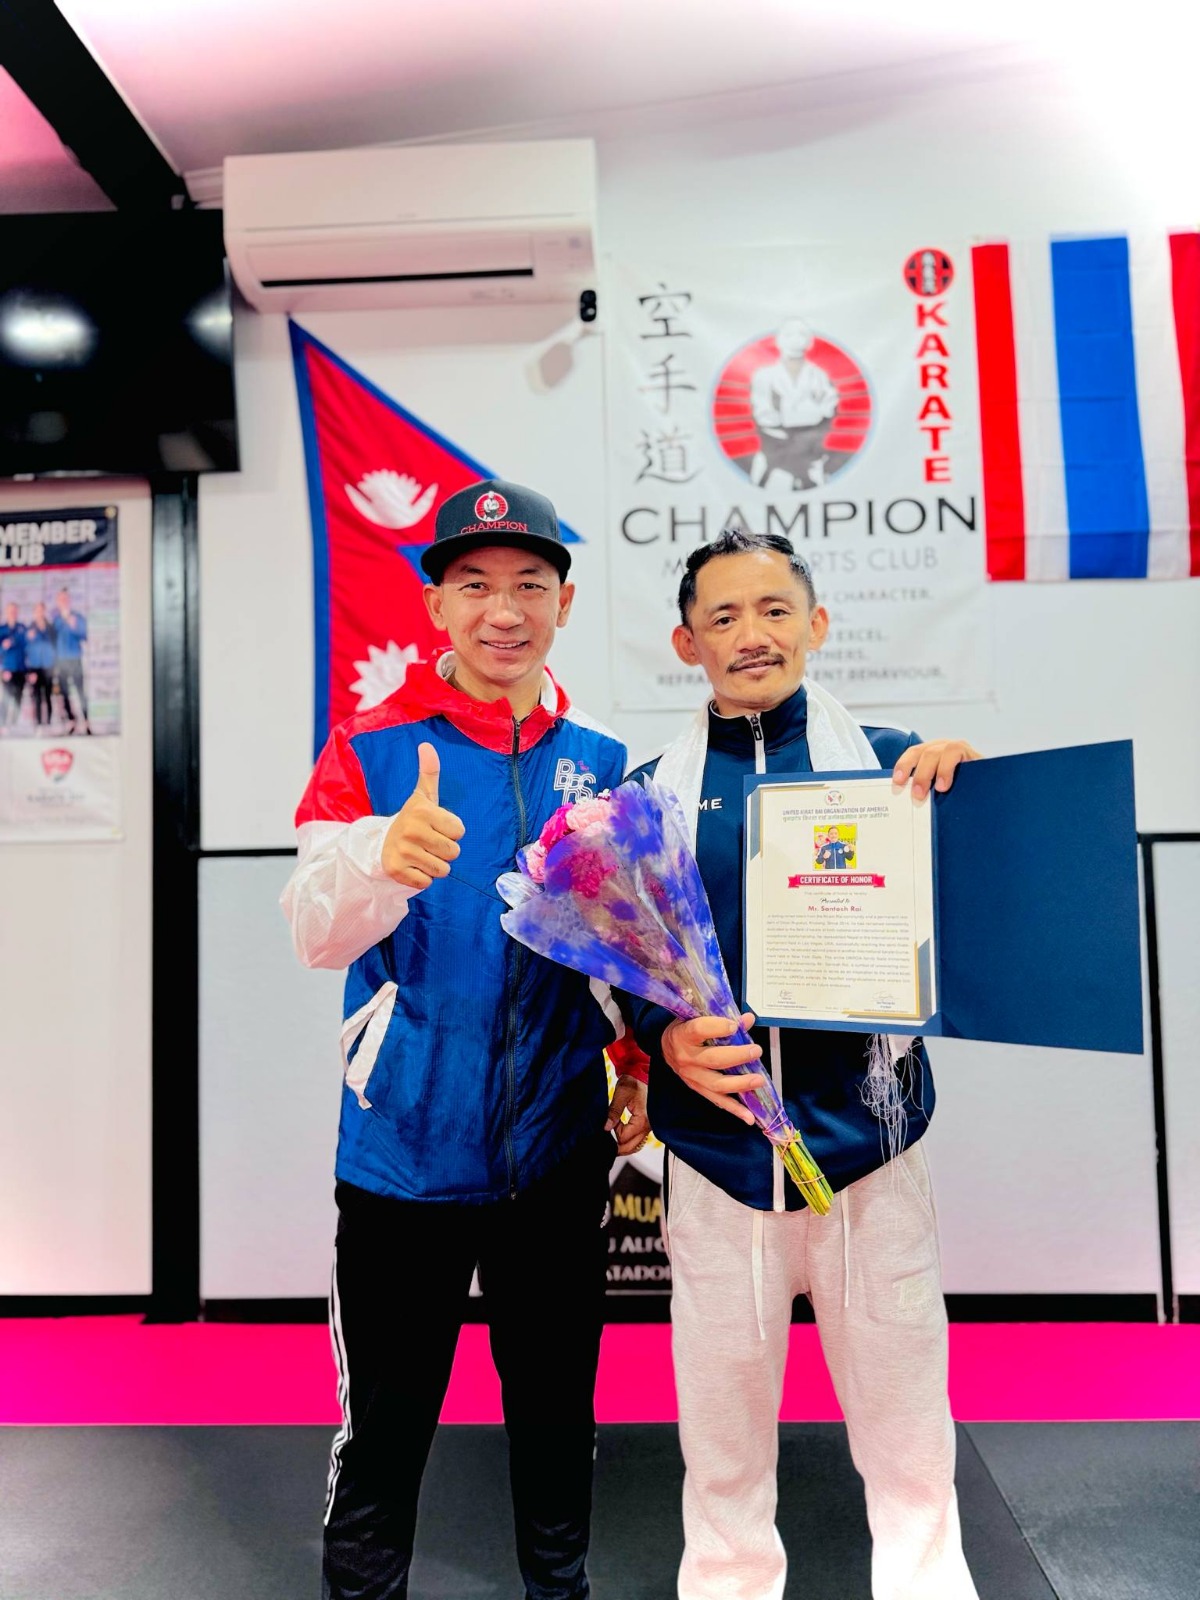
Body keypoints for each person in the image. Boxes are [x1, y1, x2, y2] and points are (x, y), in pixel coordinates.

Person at [281, 479, 650, 1600]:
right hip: (403, 1154)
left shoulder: (603, 758)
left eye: (530, 585)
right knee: (386, 1430)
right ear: (436, 605)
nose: (504, 610)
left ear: (565, 604)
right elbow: (312, 931)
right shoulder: (369, 747)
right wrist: (376, 860)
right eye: (476, 585)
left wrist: (635, 1060)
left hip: (558, 1151)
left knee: (557, 1415)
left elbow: (625, 943)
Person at [621, 528, 982, 1600]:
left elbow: (972, 910)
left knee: (908, 1424)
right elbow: (617, 966)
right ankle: (727, 1585)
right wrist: (658, 1039)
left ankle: (927, 1584)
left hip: (870, 1147)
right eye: (723, 616)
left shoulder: (893, 764)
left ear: (816, 624)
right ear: (686, 643)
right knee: (722, 1432)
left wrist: (970, 795)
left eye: (774, 610)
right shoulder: (648, 795)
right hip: (719, 1158)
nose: (752, 634)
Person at [749, 318, 840, 491]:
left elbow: (829, 404)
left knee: (818, 491)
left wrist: (811, 424)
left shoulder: (818, 375)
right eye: (789, 335)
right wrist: (790, 426)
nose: (796, 340)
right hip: (775, 447)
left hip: (809, 448)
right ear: (779, 340)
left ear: (809, 341)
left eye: (801, 335)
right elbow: (762, 412)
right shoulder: (764, 376)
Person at [52, 587, 90, 733]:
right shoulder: (55, 620)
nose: (64, 601)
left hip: (75, 659)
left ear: (70, 600)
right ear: (57, 601)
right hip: (61, 661)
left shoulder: (78, 617)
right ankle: (71, 721)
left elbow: (84, 635)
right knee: (64, 692)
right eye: (61, 599)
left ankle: (86, 721)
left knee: (80, 691)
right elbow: (52, 642)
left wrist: (74, 626)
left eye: (66, 598)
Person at [24, 600, 55, 728]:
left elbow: (55, 648)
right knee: (36, 696)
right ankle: (38, 724)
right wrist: (29, 671)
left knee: (48, 696)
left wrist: (55, 666)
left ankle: (48, 723)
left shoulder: (50, 628)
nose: (39, 613)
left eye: (41, 610)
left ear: (44, 612)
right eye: (37, 611)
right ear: (34, 613)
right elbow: (26, 650)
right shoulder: (29, 629)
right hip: (34, 668)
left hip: (48, 667)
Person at [0, 600, 26, 728]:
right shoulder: (2, 629)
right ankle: (2, 724)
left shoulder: (22, 628)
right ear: (6, 612)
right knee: (6, 697)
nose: (13, 613)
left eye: (15, 611)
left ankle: (14, 724)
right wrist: (3, 647)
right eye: (11, 611)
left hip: (21, 668)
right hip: (7, 669)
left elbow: (27, 647)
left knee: (18, 697)